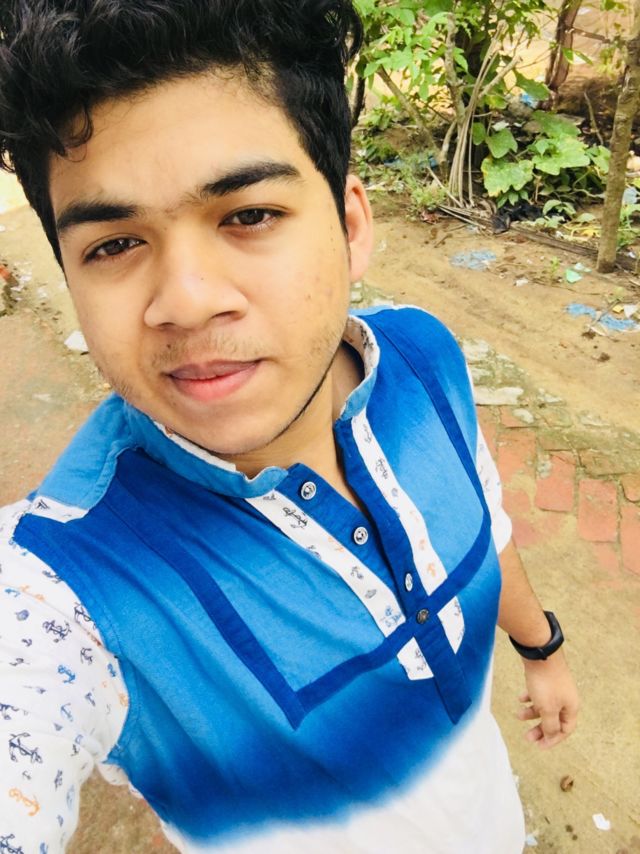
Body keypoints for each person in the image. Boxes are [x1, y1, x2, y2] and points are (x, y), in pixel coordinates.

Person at [0, 1, 579, 852]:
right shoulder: (64, 587)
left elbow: (482, 521)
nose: (186, 301)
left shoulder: (424, 359)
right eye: (114, 245)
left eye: (249, 215)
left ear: (351, 226)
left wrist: (541, 647)